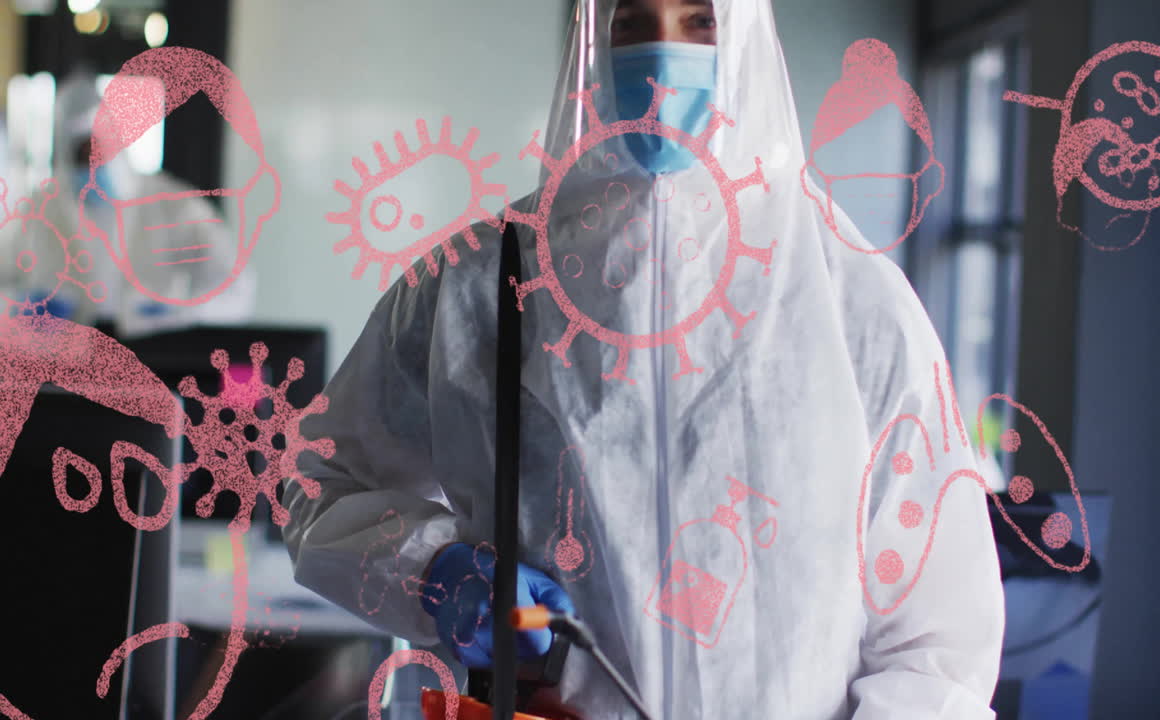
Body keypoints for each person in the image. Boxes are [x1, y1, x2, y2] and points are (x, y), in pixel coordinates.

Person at [283, 0, 1004, 717]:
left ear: (745, 36)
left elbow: (939, 639)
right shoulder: (479, 284)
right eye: (629, 22)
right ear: (591, 44)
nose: (662, 60)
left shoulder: (852, 300)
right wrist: (432, 572)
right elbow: (321, 481)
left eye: (700, 22)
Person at [45, 66, 262, 337]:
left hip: (157, 353)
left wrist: (182, 310)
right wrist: (18, 304)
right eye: (81, 155)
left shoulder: (176, 206)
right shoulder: (41, 210)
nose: (92, 165)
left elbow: (236, 290)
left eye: (98, 150)